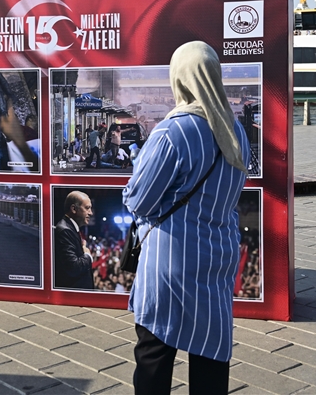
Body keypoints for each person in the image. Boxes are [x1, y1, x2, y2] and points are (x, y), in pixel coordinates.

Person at [123, 41, 251, 395]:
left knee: (155, 354)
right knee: (210, 355)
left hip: (171, 263)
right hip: (217, 259)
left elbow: (139, 201)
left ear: (178, 78)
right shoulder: (236, 131)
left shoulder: (172, 132)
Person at [54, 191, 95, 289]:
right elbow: (73, 268)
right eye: (87, 208)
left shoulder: (70, 228)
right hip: (75, 294)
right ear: (73, 209)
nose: (91, 213)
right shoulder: (65, 231)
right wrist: (88, 255)